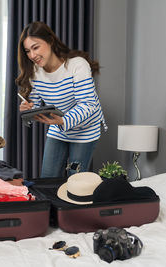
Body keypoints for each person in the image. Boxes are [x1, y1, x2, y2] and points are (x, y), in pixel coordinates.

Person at [16, 21, 107, 178]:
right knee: (47, 177)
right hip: (60, 127)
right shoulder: (35, 73)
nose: (32, 55)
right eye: (28, 51)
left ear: (50, 41)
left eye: (36, 47)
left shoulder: (77, 65)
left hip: (85, 129)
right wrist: (28, 109)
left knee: (75, 177)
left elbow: (88, 104)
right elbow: (37, 105)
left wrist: (63, 121)